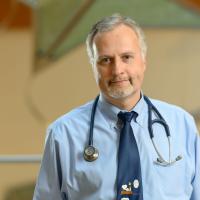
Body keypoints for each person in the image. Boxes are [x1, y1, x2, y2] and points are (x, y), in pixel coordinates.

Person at [33, 13, 200, 200]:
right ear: (93, 66)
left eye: (126, 57)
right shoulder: (63, 134)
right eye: (105, 60)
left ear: (143, 61)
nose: (117, 70)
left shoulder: (181, 124)